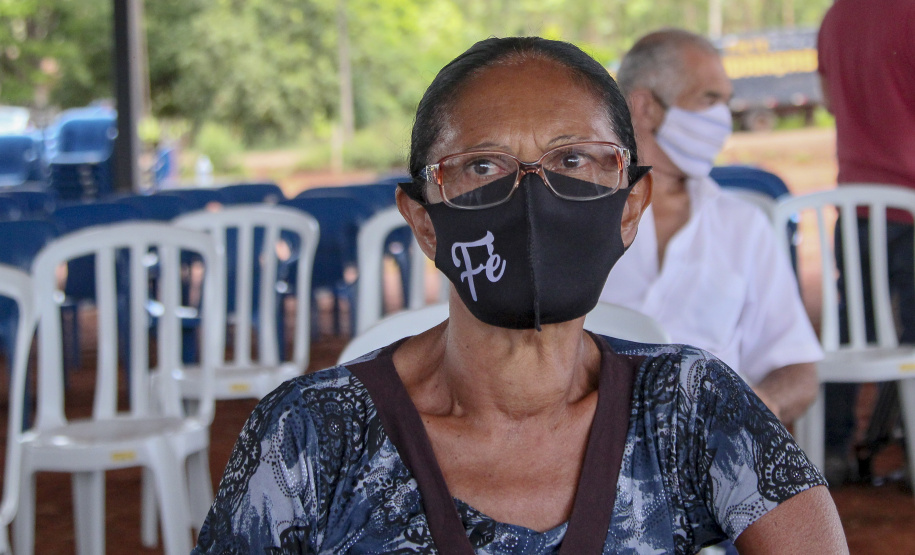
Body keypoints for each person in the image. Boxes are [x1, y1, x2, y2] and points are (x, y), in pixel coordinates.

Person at [192, 36, 846, 554]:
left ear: (628, 207)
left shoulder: (689, 404)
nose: (531, 198)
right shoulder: (311, 434)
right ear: (424, 220)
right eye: (482, 165)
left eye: (573, 160)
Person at [599, 29, 822, 425]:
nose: (722, 120)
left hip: (711, 442)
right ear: (645, 108)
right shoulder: (576, 215)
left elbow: (797, 367)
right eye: (708, 99)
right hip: (593, 440)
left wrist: (759, 409)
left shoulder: (742, 225)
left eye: (725, 102)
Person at [817, 0, 915, 479]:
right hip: (910, 202)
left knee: (852, 327)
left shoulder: (836, 15)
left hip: (856, 202)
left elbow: (830, 100)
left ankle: (833, 448)